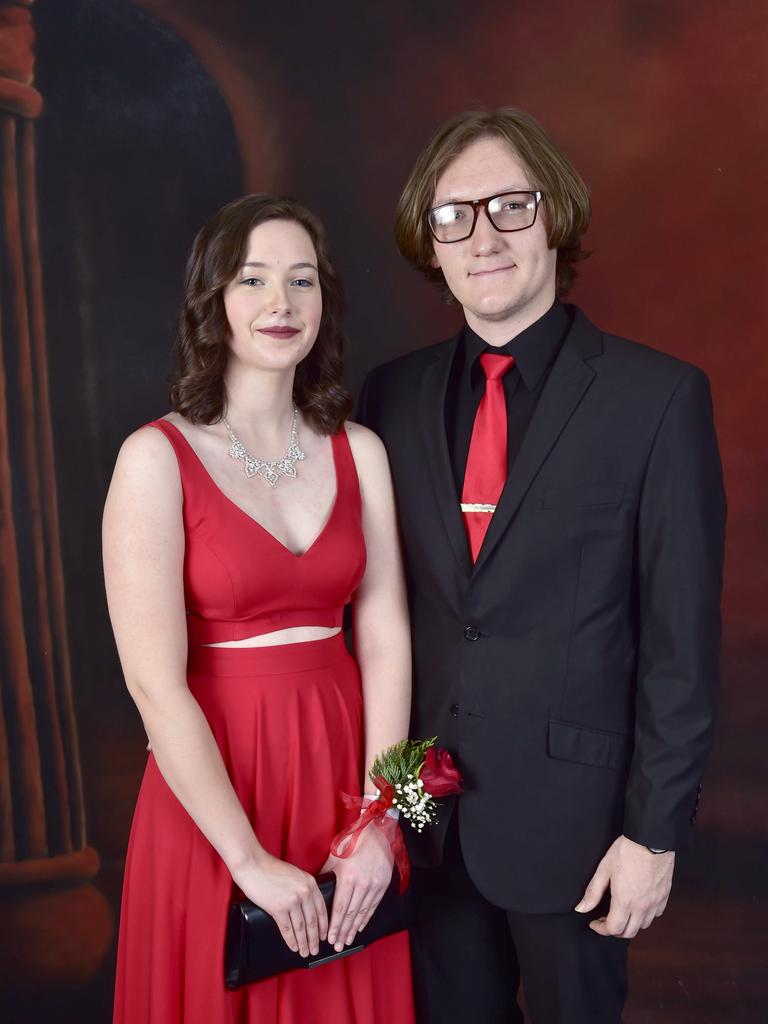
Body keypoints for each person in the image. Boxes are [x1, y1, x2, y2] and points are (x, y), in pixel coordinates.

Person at [356, 108, 726, 1023]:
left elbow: (682, 642)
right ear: (430, 246)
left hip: (582, 834)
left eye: (509, 206)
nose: (483, 236)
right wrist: (387, 807)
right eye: (454, 217)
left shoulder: (658, 398)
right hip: (427, 830)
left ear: (554, 216)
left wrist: (653, 835)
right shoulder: (390, 396)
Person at [103, 194, 415, 1023]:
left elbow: (384, 637)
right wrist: (247, 862)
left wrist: (381, 823)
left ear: (324, 303)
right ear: (214, 302)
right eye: (253, 280)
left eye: (302, 281)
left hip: (340, 775)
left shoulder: (361, 451)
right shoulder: (155, 458)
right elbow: (153, 685)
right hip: (212, 800)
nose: (281, 304)